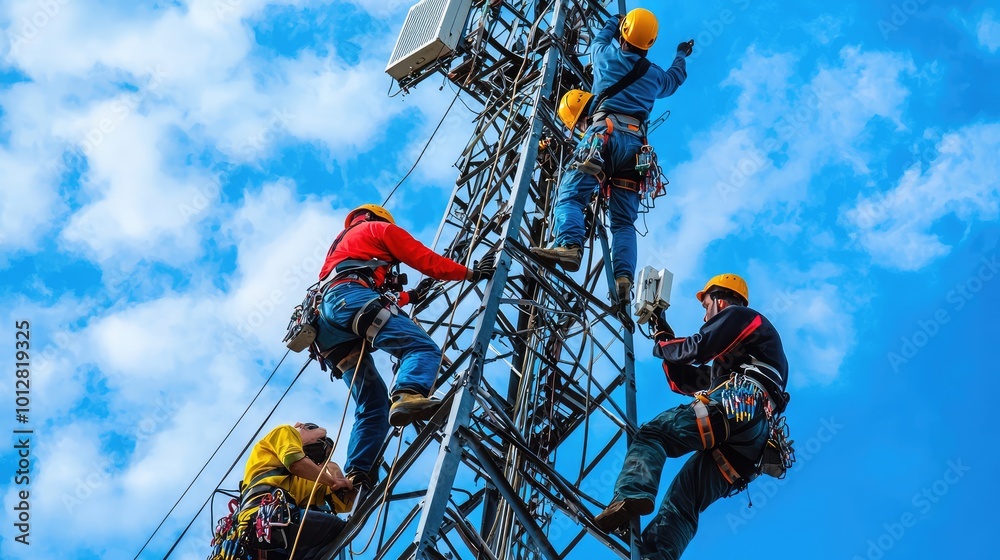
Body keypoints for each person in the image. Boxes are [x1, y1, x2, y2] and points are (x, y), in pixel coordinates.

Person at [593, 274, 790, 560]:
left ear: (721, 300)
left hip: (740, 404)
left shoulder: (742, 316)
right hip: (749, 444)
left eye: (706, 304)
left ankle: (632, 494)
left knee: (655, 434)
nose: (705, 312)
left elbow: (697, 348)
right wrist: (663, 334)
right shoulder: (743, 357)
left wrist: (663, 346)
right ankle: (657, 556)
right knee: (683, 501)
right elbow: (685, 382)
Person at [314, 204, 494, 490]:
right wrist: (470, 274)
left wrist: (410, 296)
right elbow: (425, 260)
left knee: (372, 404)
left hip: (328, 327)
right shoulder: (379, 229)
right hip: (349, 300)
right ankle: (408, 394)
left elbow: (362, 289)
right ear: (373, 217)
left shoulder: (343, 248)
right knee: (421, 349)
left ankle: (356, 476)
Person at [532, 8, 692, 306]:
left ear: (624, 34)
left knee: (571, 197)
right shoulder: (655, 76)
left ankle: (569, 245)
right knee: (622, 223)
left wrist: (613, 22)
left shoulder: (604, 55)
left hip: (602, 138)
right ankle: (623, 278)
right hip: (635, 151)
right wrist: (681, 54)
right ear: (650, 42)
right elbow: (675, 78)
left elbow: (601, 38)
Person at [237, 422, 351, 560]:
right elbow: (295, 462)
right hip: (262, 519)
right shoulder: (286, 431)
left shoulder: (303, 481)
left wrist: (329, 464)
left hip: (271, 539)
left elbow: (345, 499)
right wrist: (333, 481)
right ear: (301, 426)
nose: (318, 452)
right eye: (320, 440)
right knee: (337, 528)